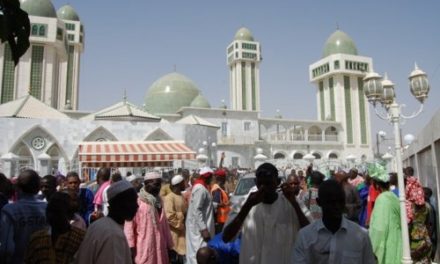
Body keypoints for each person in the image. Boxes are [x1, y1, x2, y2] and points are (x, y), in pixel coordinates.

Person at [223, 163, 309, 264]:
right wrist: (247, 206)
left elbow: (310, 235)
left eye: (268, 183)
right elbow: (226, 237)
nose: (264, 187)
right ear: (255, 183)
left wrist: (294, 204)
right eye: (260, 184)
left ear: (277, 182)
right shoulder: (244, 203)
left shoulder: (292, 202)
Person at [293, 180, 375, 263]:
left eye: (340, 201)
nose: (337, 206)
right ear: (319, 202)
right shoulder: (305, 237)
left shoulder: (361, 236)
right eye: (330, 202)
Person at [75, 180, 139, 264]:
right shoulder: (113, 235)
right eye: (132, 201)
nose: (137, 206)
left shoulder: (99, 225)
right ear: (118, 204)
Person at [124, 171, 173, 264]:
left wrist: (170, 246)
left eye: (159, 184)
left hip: (160, 249)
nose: (158, 187)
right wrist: (130, 249)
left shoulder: (160, 201)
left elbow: (165, 226)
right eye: (156, 184)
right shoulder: (137, 202)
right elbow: (129, 227)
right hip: (143, 250)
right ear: (147, 184)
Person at [0, 169, 47, 264]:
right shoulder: (47, 208)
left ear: (17, 187)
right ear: (38, 188)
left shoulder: (10, 210)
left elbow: (7, 248)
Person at [25, 192, 85, 264]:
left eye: (57, 212)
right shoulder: (36, 238)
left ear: (68, 214)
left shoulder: (80, 238)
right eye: (49, 211)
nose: (51, 216)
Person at [368, 163, 402, 264]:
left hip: (388, 244)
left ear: (376, 185)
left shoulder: (383, 199)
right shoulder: (393, 196)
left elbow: (379, 229)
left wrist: (372, 249)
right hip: (396, 240)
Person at [186, 167, 215, 264]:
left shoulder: (201, 187)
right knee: (199, 253)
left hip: (198, 226)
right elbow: (197, 209)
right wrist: (204, 229)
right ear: (208, 177)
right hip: (199, 229)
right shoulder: (200, 189)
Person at [405, 172, 432, 263]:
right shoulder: (427, 206)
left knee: (414, 259)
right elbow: (428, 223)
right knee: (424, 259)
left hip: (413, 239)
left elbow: (408, 226)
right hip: (425, 237)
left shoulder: (409, 207)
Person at [164, 174, 188, 264]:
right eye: (183, 183)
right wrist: (181, 225)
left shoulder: (181, 196)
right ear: (178, 184)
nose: (185, 184)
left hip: (182, 233)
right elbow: (169, 217)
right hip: (174, 234)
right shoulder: (169, 198)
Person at [211, 169, 230, 233]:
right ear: (221, 178)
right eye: (224, 177)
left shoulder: (220, 189)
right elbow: (214, 205)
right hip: (220, 221)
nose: (225, 179)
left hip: (223, 220)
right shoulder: (217, 190)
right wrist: (223, 205)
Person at [423, 187, 437, 261]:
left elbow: (431, 225)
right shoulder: (427, 206)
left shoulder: (428, 207)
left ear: (427, 195)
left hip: (430, 238)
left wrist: (427, 238)